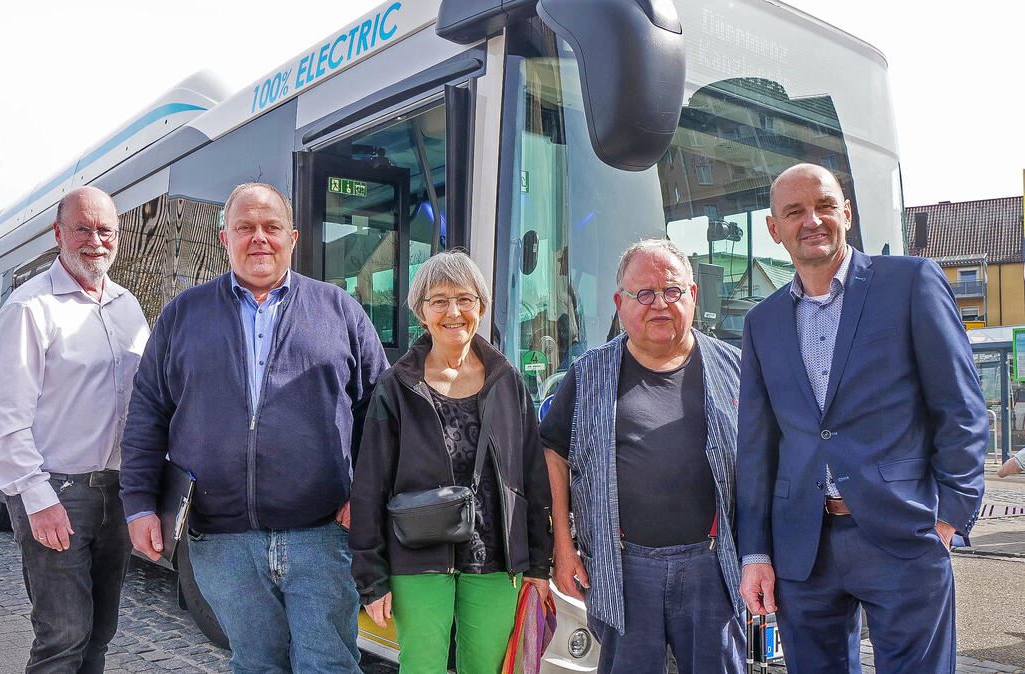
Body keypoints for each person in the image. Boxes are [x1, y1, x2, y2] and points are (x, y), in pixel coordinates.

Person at [120, 183, 386, 674]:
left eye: (271, 227)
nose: (258, 238)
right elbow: (147, 412)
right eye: (245, 227)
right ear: (225, 238)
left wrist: (365, 496)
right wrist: (138, 503)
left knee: (329, 666)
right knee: (256, 665)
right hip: (222, 540)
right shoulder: (182, 314)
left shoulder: (339, 310)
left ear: (293, 237)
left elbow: (380, 413)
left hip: (322, 535)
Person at [736, 163, 987, 673]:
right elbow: (756, 446)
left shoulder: (911, 283)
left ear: (846, 214)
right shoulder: (761, 322)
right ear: (774, 229)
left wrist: (949, 517)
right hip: (802, 547)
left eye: (825, 206)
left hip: (904, 534)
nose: (812, 221)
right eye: (795, 212)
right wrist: (755, 553)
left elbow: (960, 408)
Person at [541, 239, 747, 673]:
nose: (660, 304)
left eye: (672, 290)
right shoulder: (588, 373)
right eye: (644, 294)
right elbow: (553, 453)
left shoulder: (736, 368)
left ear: (693, 295)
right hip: (623, 568)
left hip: (713, 564)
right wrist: (563, 547)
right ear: (620, 304)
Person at [349, 250, 552, 673]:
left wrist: (538, 563)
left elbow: (533, 476)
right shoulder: (397, 386)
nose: (453, 312)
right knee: (422, 666)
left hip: (495, 557)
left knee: (486, 668)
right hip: (416, 555)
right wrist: (372, 578)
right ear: (421, 312)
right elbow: (369, 486)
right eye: (439, 300)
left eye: (464, 299)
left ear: (481, 306)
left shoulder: (507, 381)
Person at [0, 186, 150, 673]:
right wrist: (38, 500)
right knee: (63, 635)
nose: (95, 241)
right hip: (57, 490)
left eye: (105, 231)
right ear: (58, 234)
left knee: (99, 634)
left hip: (117, 490)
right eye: (82, 229)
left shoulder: (127, 305)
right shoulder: (29, 308)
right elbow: (6, 420)